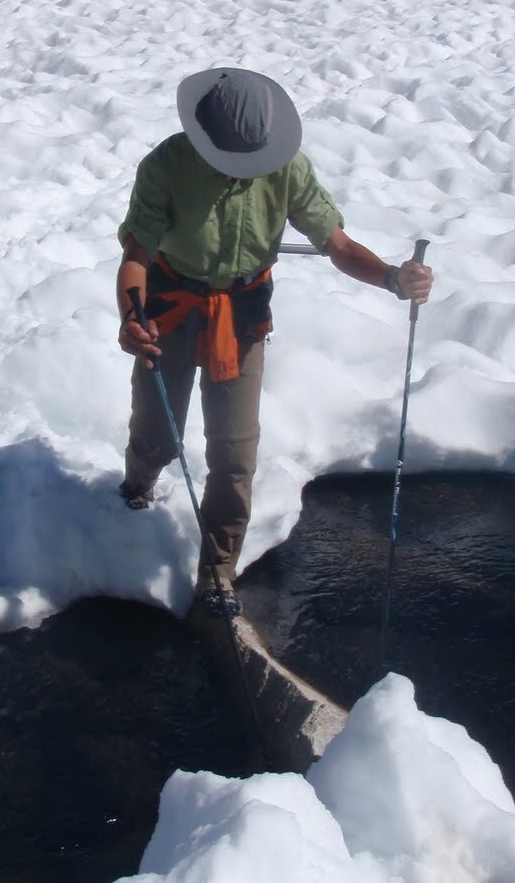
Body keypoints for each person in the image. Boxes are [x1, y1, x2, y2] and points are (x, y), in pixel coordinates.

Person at [115, 67, 434, 618]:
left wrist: (389, 278)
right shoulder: (165, 165)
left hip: (239, 315)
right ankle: (137, 487)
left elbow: (335, 243)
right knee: (157, 432)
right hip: (168, 306)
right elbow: (137, 256)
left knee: (235, 453)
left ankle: (218, 571)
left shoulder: (288, 167)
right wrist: (130, 317)